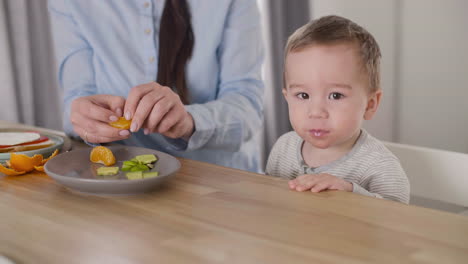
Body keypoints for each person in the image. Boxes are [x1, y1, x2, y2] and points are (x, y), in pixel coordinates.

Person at [48, 0, 264, 172]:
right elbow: (76, 99)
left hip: (220, 182)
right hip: (119, 179)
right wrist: (85, 118)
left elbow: (248, 108)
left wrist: (189, 122)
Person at [265, 15, 410, 203]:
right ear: (287, 98)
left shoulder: (380, 166)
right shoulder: (283, 149)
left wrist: (351, 192)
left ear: (370, 104)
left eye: (335, 95)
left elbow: (399, 220)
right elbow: (270, 202)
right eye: (303, 95)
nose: (316, 112)